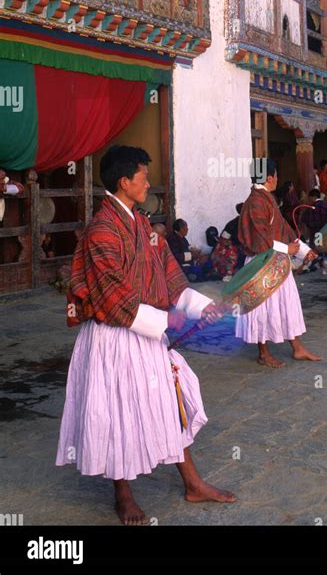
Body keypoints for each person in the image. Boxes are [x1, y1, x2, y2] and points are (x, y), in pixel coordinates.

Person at [56, 145, 236, 525]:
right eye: (143, 176)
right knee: (118, 413)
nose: (148, 182)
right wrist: (168, 322)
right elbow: (110, 294)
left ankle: (192, 483)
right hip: (115, 335)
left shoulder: (141, 223)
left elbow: (169, 275)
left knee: (174, 402)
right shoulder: (102, 230)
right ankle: (123, 494)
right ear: (124, 182)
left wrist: (204, 307)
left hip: (148, 332)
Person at [236, 159, 321, 368]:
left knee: (285, 303)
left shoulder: (266, 198)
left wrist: (303, 250)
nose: (277, 180)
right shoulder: (256, 201)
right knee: (262, 308)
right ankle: (263, 353)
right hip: (260, 264)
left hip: (275, 261)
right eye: (276, 176)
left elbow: (282, 227)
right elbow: (259, 239)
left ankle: (297, 347)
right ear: (269, 178)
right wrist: (288, 249)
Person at [301, 188, 327, 274]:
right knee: (325, 248)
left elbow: (304, 218)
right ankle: (325, 261)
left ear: (313, 197)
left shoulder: (311, 207)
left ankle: (322, 262)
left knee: (317, 249)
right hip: (325, 231)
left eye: (309, 197)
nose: (309, 199)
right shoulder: (326, 206)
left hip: (315, 232)